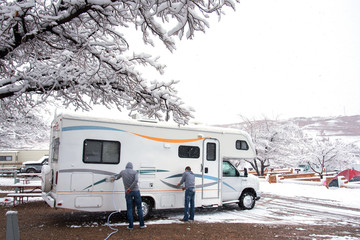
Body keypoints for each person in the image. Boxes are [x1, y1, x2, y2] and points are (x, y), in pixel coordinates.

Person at [111, 162, 146, 229]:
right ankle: (142, 225)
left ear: (126, 167)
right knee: (139, 208)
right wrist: (131, 188)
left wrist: (113, 178)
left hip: (128, 192)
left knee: (129, 209)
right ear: (131, 167)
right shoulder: (135, 172)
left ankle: (130, 226)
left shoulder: (122, 172)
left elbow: (117, 177)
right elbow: (136, 180)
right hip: (136, 191)